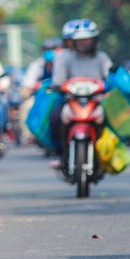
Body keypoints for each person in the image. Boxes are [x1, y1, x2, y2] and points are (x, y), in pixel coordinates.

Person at [49, 19, 112, 166]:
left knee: (111, 118)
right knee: (55, 118)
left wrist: (108, 85)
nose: (84, 43)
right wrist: (58, 86)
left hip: (96, 100)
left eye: (87, 40)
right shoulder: (67, 59)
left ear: (94, 41)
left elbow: (110, 78)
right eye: (80, 41)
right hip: (72, 100)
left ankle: (108, 152)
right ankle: (59, 153)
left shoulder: (102, 58)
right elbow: (58, 80)